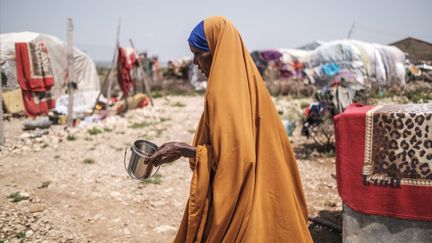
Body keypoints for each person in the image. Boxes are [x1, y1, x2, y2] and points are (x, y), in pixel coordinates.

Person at [146, 16, 312, 242]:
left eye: (198, 53)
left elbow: (237, 160)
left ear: (216, 50)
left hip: (245, 201)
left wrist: (184, 150)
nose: (195, 62)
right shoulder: (250, 83)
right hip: (270, 190)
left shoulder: (222, 94)